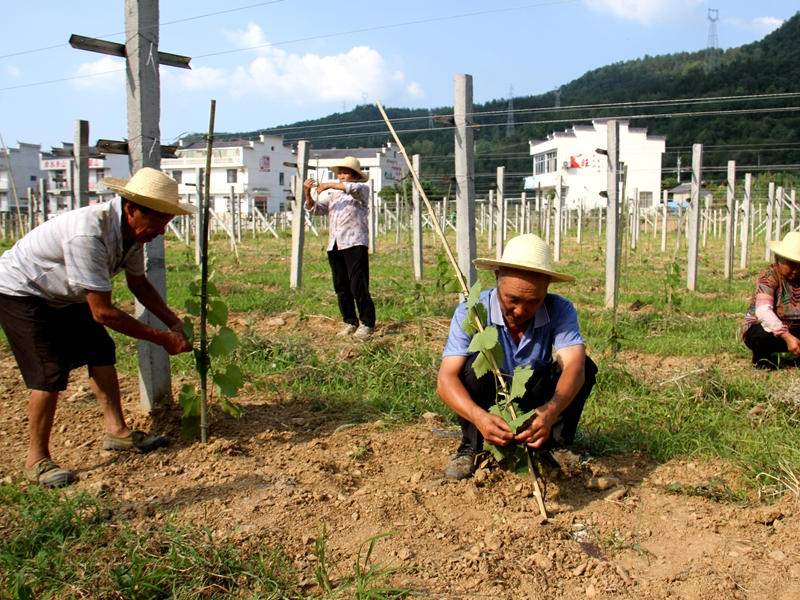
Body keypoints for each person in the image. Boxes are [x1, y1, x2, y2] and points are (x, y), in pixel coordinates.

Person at [0, 167, 195, 488]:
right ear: (132, 208)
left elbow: (139, 283)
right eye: (159, 222)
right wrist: (162, 339)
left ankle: (117, 432)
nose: (161, 231)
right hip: (22, 291)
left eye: (167, 223)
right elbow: (103, 312)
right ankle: (36, 459)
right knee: (49, 370)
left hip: (63, 293)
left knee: (100, 349)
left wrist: (172, 321)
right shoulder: (88, 233)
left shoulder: (133, 233)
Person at [437, 234, 597, 480]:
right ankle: (472, 444)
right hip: (489, 401)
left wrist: (551, 410)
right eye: (512, 299)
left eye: (533, 301)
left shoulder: (559, 309)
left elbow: (575, 365)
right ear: (496, 277)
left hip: (536, 398)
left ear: (547, 289)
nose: (521, 311)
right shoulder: (472, 313)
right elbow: (446, 379)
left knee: (585, 365)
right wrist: (479, 416)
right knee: (470, 368)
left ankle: (554, 443)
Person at [303, 156, 376, 339]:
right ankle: (350, 321)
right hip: (335, 244)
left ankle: (367, 323)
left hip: (354, 243)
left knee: (357, 284)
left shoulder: (362, 190)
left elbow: (352, 188)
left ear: (355, 175)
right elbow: (316, 209)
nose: (341, 176)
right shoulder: (334, 196)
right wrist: (307, 193)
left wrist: (328, 184)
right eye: (340, 173)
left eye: (345, 173)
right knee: (341, 286)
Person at [742, 231, 800, 368]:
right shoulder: (769, 276)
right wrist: (787, 336)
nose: (796, 270)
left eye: (799, 265)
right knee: (760, 337)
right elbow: (763, 311)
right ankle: (762, 358)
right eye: (791, 265)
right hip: (770, 331)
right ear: (778, 260)